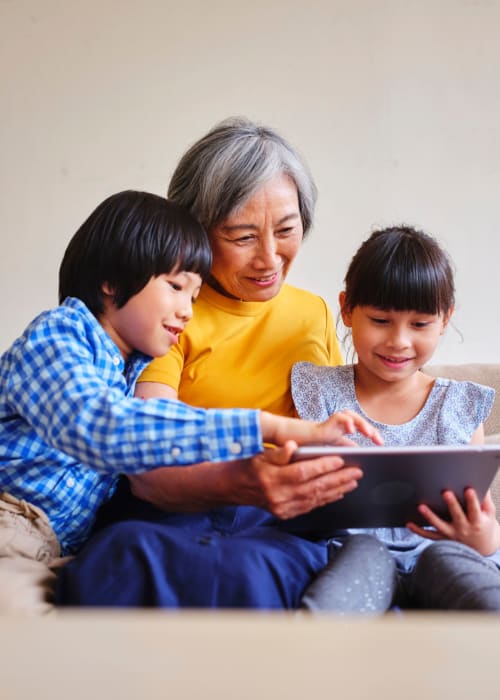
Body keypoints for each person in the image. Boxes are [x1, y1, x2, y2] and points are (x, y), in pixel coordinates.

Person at [56, 117, 386, 609]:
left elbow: (343, 433)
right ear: (196, 231)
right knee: (129, 558)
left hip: (280, 524)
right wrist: (246, 483)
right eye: (242, 236)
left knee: (299, 564)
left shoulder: (312, 312)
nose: (270, 258)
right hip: (175, 513)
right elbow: (147, 464)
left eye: (287, 230)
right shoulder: (168, 313)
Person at [292, 225, 500, 612]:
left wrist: (483, 537)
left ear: (444, 319)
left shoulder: (458, 405)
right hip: (350, 551)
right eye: (381, 320)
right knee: (359, 562)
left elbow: (482, 522)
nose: (399, 341)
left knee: (464, 576)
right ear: (347, 310)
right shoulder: (318, 392)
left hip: (443, 551)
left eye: (419, 324)